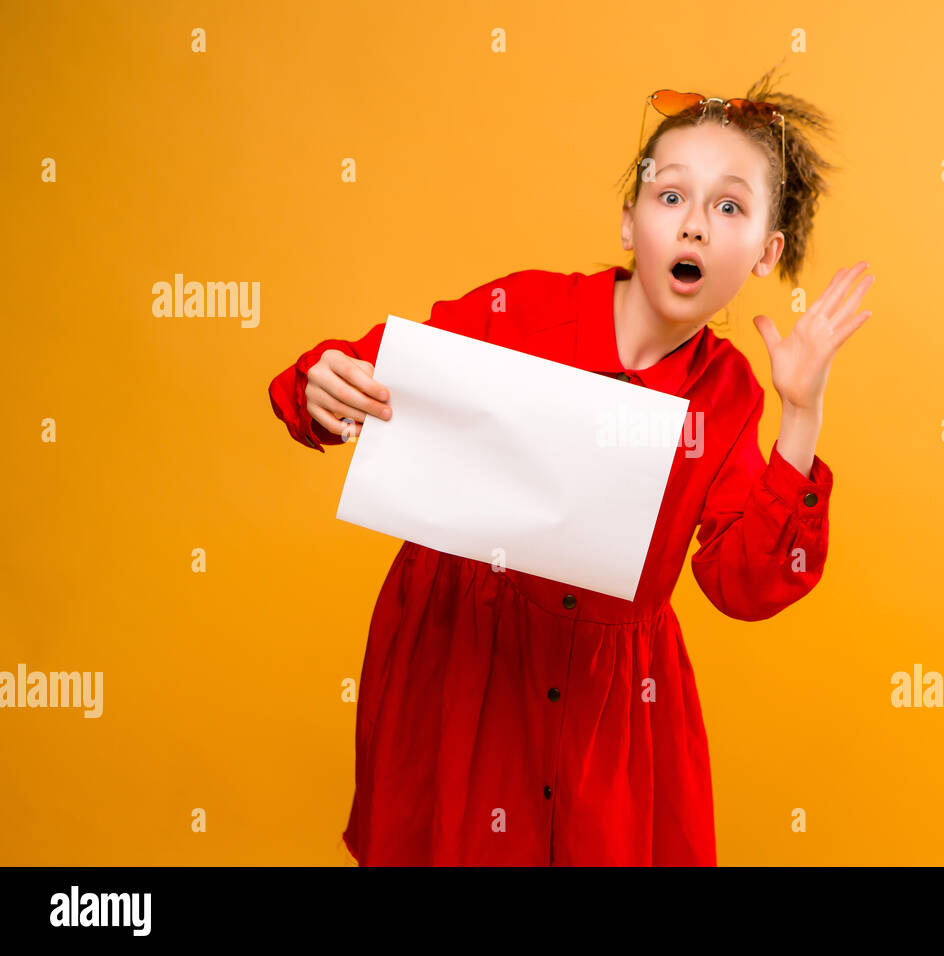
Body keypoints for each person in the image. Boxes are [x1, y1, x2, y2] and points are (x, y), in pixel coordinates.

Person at [267, 64, 873, 865]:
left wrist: (801, 413)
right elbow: (373, 371)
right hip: (461, 665)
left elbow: (743, 583)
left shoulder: (725, 394)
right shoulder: (520, 311)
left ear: (766, 252)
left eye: (728, 206)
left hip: (610, 701)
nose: (694, 224)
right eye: (670, 196)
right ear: (630, 224)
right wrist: (322, 382)